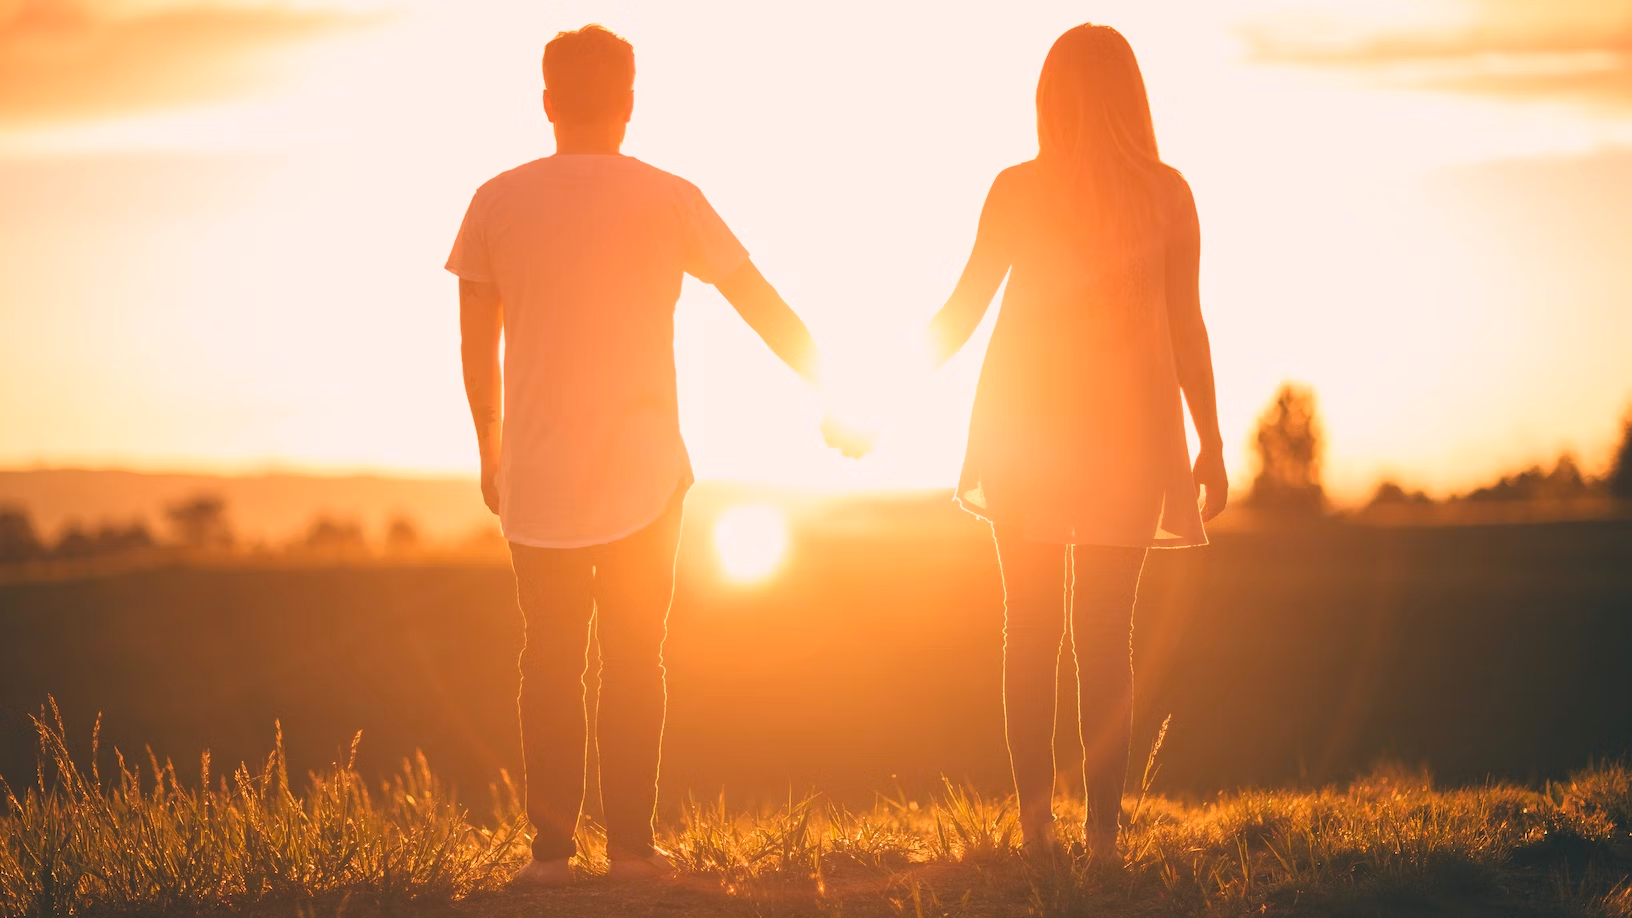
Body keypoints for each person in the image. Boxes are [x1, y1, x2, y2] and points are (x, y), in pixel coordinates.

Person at [446, 24, 824, 886]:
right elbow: (755, 298)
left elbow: (476, 348)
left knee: (547, 660)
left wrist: (489, 449)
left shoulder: (495, 201)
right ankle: (631, 852)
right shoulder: (669, 196)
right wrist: (836, 388)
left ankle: (549, 859)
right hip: (647, 475)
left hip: (536, 472)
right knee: (633, 659)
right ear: (628, 103)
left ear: (546, 103)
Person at [924, 24, 1228, 856]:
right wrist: (1211, 440)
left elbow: (962, 310)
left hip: (1026, 426)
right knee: (1105, 636)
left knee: (1029, 629)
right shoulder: (1167, 192)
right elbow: (1187, 327)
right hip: (1128, 433)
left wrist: (875, 396)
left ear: (1048, 98)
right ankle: (1100, 836)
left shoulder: (1020, 188)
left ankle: (1035, 828)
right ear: (1134, 96)